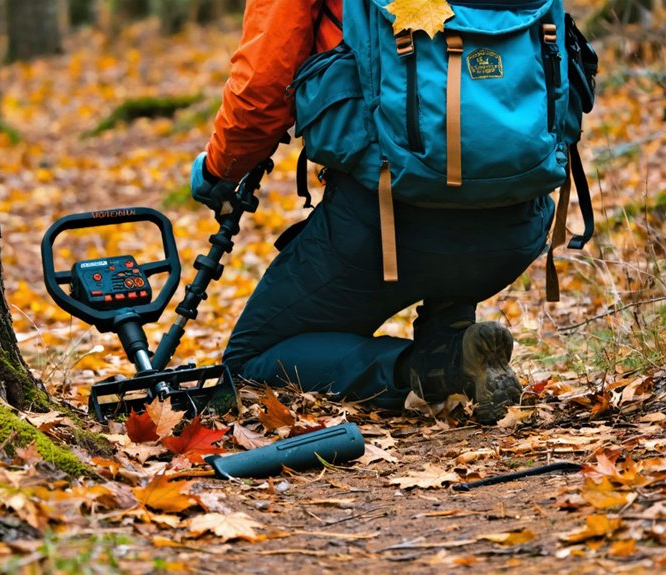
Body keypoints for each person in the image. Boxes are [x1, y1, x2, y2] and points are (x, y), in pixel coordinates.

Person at [189, 0, 555, 424]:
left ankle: (432, 367)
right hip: (516, 219)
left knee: (251, 360)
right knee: (452, 200)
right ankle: (456, 339)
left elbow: (262, 89)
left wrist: (219, 169)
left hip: (387, 222)